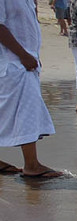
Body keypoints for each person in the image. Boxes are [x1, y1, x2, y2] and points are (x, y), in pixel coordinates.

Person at [0, 0, 63, 179]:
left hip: (23, 61)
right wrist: (23, 55)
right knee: (25, 112)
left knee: (10, 112)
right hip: (12, 63)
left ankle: (30, 163)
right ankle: (31, 164)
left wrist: (32, 54)